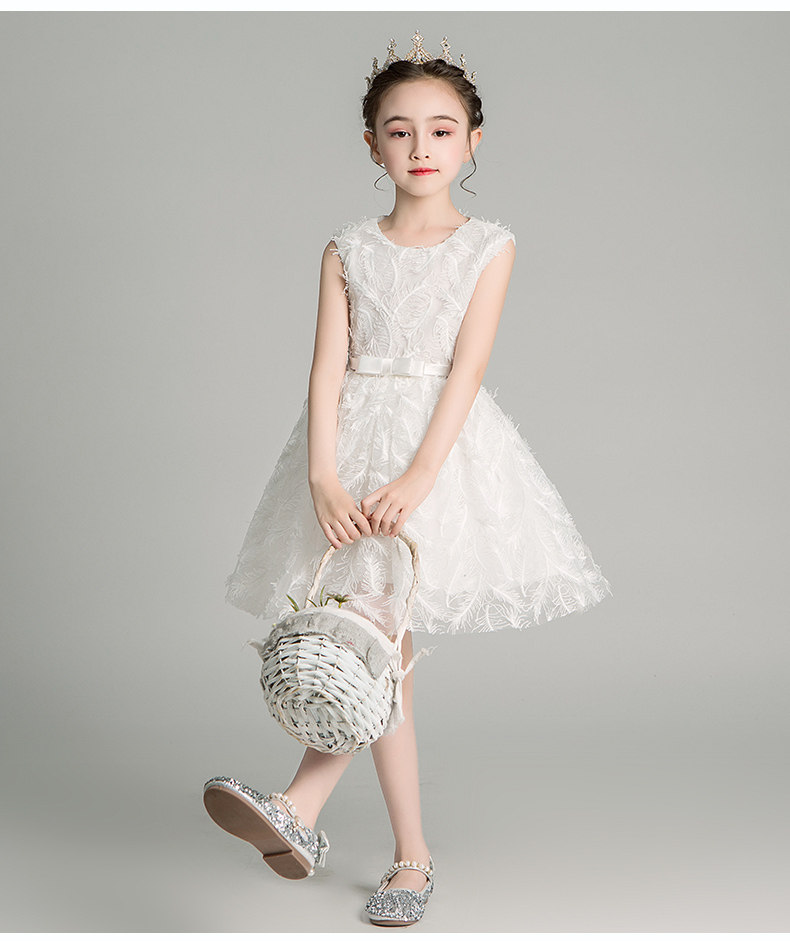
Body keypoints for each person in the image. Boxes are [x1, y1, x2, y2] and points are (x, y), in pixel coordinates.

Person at [203, 29, 612, 928]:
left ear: (473, 142)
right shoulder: (346, 248)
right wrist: (322, 477)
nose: (420, 147)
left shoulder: (488, 245)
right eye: (399, 131)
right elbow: (324, 372)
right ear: (371, 144)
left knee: (378, 639)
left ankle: (306, 809)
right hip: (350, 455)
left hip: (437, 456)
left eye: (440, 129)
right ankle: (406, 855)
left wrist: (424, 475)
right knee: (382, 645)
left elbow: (468, 367)